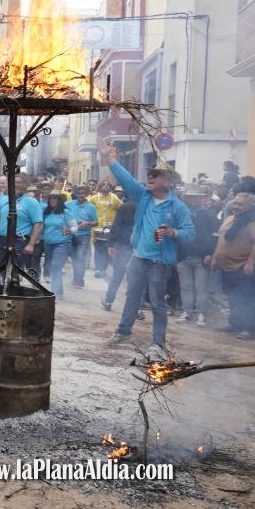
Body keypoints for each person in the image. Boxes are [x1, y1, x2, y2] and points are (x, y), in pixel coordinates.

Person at [99, 139, 195, 355]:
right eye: (150, 174)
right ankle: (123, 332)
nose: (150, 177)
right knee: (132, 297)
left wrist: (173, 232)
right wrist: (109, 158)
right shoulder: (143, 196)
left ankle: (158, 344)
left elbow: (190, 232)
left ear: (167, 181)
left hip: (160, 263)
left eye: (155, 175)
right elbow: (126, 178)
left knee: (158, 303)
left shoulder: (178, 207)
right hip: (138, 258)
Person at [208, 192, 255, 340]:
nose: (235, 206)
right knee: (232, 297)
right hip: (226, 266)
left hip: (243, 267)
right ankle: (235, 323)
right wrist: (215, 257)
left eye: (240, 204)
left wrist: (251, 263)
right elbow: (221, 240)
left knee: (246, 298)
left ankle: (248, 329)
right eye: (235, 203)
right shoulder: (230, 218)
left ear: (250, 206)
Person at [0, 174, 44, 285]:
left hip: (19, 240)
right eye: (13, 183)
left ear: (25, 185)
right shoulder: (4, 200)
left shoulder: (31, 202)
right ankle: (3, 293)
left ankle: (14, 293)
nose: (15, 185)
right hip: (3, 240)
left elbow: (38, 224)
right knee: (3, 270)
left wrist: (31, 244)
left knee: (13, 272)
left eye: (19, 182)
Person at [174, 185, 218, 327]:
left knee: (201, 287)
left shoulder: (209, 215)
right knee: (185, 286)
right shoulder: (181, 214)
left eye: (196, 197)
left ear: (202, 198)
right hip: (183, 256)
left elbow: (214, 237)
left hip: (201, 256)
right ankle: (187, 311)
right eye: (190, 197)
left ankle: (202, 313)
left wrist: (210, 254)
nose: (193, 200)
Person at [100, 199, 137, 311]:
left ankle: (108, 300)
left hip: (124, 245)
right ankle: (137, 307)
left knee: (117, 274)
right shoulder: (150, 207)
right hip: (140, 247)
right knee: (136, 278)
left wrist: (111, 244)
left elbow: (116, 226)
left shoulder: (125, 207)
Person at [41, 192, 77, 300]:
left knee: (55, 266)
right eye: (50, 199)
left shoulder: (66, 212)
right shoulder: (46, 212)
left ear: (59, 201)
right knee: (53, 268)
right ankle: (59, 292)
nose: (52, 201)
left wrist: (70, 230)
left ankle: (54, 293)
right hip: (48, 243)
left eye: (54, 199)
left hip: (62, 243)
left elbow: (75, 227)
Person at [89, 180, 122, 279]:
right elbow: (88, 208)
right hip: (97, 228)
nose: (106, 186)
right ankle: (98, 269)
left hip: (110, 229)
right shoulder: (94, 198)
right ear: (100, 186)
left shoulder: (114, 198)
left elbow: (122, 209)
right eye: (104, 184)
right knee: (98, 249)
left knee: (107, 249)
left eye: (108, 185)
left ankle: (103, 268)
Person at [66, 185, 98, 289]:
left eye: (83, 193)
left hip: (84, 236)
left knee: (80, 257)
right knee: (74, 258)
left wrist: (87, 223)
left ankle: (80, 280)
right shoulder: (68, 204)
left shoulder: (91, 207)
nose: (81, 194)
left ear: (87, 194)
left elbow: (96, 222)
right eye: (78, 193)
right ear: (75, 194)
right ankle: (76, 277)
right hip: (71, 235)